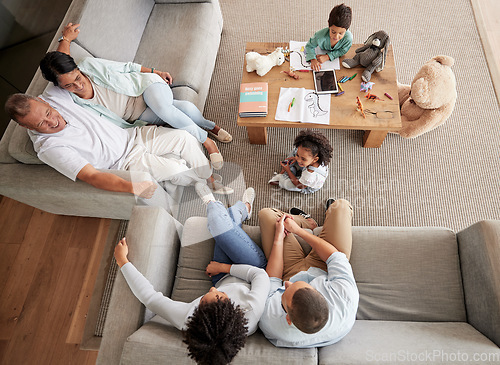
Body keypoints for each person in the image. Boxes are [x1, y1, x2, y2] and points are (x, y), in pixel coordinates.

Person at [39, 22, 231, 170]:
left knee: (164, 109)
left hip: (145, 87)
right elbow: (54, 82)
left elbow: (126, 67)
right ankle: (210, 125)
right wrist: (64, 41)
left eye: (78, 77)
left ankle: (206, 141)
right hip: (138, 116)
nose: (78, 85)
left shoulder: (89, 65)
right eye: (69, 85)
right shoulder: (68, 100)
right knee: (177, 109)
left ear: (77, 68)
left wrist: (155, 71)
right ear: (59, 87)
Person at [114, 187, 269, 364]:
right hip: (251, 267)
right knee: (219, 223)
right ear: (233, 308)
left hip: (221, 275)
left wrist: (122, 261)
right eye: (220, 294)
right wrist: (225, 268)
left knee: (222, 226)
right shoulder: (250, 310)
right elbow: (260, 275)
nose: (210, 288)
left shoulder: (188, 318)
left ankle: (233, 210)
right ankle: (236, 207)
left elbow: (149, 298)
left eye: (203, 298)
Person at [4, 86, 233, 197]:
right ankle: (204, 185)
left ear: (43, 102)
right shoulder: (49, 148)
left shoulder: (52, 97)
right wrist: (133, 187)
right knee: (176, 168)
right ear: (27, 127)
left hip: (134, 135)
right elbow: (92, 177)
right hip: (125, 162)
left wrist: (66, 38)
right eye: (41, 124)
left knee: (184, 137)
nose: (52, 121)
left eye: (48, 113)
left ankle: (208, 177)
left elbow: (60, 65)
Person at [257, 199, 359, 348]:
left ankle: (305, 223)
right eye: (295, 286)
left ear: (288, 319)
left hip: (288, 270)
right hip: (323, 267)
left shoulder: (270, 319)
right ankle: (308, 223)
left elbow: (274, 279)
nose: (286, 284)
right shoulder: (344, 296)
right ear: (319, 292)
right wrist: (298, 231)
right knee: (340, 206)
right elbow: (334, 256)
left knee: (267, 215)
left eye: (285, 292)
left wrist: (279, 237)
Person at [268, 130, 332, 194]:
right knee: (295, 151)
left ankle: (283, 175)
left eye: (303, 159)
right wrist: (296, 157)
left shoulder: (309, 175)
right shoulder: (315, 159)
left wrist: (288, 171)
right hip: (306, 168)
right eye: (298, 156)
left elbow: (299, 185)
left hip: (304, 185)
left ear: (315, 159)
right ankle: (294, 167)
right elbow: (300, 157)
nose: (298, 160)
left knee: (288, 184)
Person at [305, 4, 353, 71]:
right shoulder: (319, 36)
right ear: (329, 24)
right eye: (333, 32)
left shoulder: (348, 38)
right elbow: (309, 46)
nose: (336, 37)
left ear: (347, 29)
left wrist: (328, 56)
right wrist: (313, 59)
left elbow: (343, 51)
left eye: (341, 33)